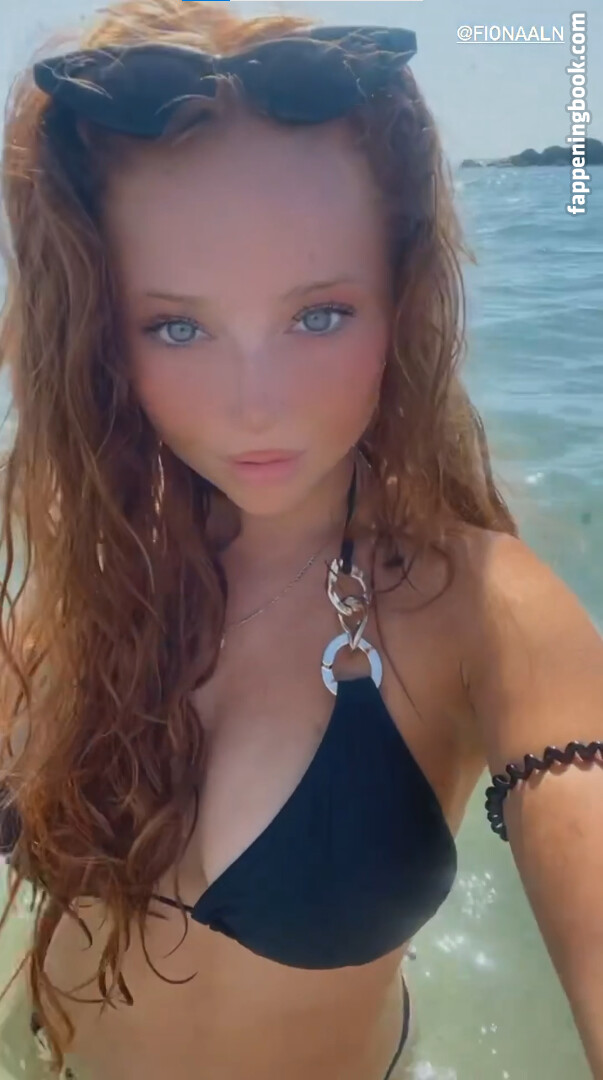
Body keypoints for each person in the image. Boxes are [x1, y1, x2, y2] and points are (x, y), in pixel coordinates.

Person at [0, 3, 602, 1079]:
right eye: (176, 325)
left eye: (319, 314)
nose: (256, 407)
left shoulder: (478, 609)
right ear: (98, 331)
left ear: (401, 300)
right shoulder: (63, 568)